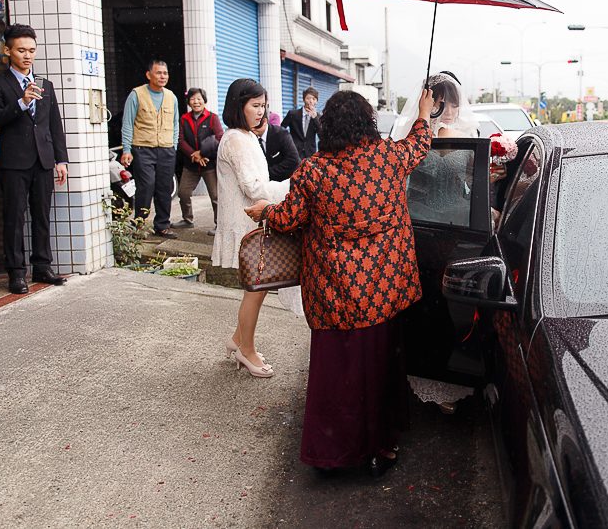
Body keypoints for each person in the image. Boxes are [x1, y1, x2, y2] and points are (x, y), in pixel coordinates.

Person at [247, 89, 434, 476]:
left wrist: (265, 211)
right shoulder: (390, 158)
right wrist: (423, 113)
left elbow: (286, 219)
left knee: (339, 377)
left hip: (336, 295)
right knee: (379, 371)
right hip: (384, 294)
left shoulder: (314, 170)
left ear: (327, 126)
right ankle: (381, 449)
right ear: (368, 122)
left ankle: (333, 454)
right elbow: (420, 144)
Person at [392, 71, 480, 414]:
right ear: (427, 103)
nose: (448, 109)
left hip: (454, 231)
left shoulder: (467, 138)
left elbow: (469, 188)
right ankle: (412, 375)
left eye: (453, 102)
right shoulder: (411, 139)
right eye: (440, 102)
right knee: (415, 304)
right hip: (415, 230)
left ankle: (440, 378)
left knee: (446, 305)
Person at [212, 78, 290, 378]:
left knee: (257, 287)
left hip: (252, 222)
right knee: (256, 289)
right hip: (247, 224)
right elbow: (253, 186)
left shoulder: (243, 136)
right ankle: (247, 351)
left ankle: (236, 340)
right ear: (238, 105)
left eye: (263, 106)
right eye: (255, 106)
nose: (261, 112)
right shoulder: (235, 140)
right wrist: (292, 187)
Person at [0, 23, 68, 294]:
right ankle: (17, 273)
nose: (28, 55)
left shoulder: (45, 84)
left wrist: (61, 160)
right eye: (21, 50)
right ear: (8, 51)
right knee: (14, 219)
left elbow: (54, 124)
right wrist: (21, 102)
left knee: (42, 216)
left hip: (43, 160)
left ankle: (42, 266)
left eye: (32, 50)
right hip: (13, 162)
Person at [120, 60, 179, 239]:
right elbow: (127, 124)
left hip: (166, 149)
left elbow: (175, 124)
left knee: (164, 188)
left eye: (165, 73)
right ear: (149, 75)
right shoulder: (136, 95)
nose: (163, 76)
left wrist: (174, 146)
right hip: (143, 148)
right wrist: (127, 149)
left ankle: (162, 225)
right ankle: (139, 225)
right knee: (145, 187)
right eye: (159, 73)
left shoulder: (171, 96)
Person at [174, 88, 223, 235]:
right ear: (188, 102)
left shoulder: (212, 117)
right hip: (191, 164)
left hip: (209, 163)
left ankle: (219, 225)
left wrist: (202, 153)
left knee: (215, 197)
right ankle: (187, 220)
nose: (196, 102)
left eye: (199, 98)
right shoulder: (184, 119)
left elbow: (219, 137)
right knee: (183, 193)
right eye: (192, 99)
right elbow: (181, 140)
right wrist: (193, 155)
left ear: (204, 100)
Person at [281, 87, 321, 160]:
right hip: (294, 152)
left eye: (314, 99)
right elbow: (281, 129)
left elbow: (321, 134)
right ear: (303, 99)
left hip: (310, 153)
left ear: (316, 101)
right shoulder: (293, 114)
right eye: (308, 98)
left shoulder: (318, 118)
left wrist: (315, 118)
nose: (311, 101)